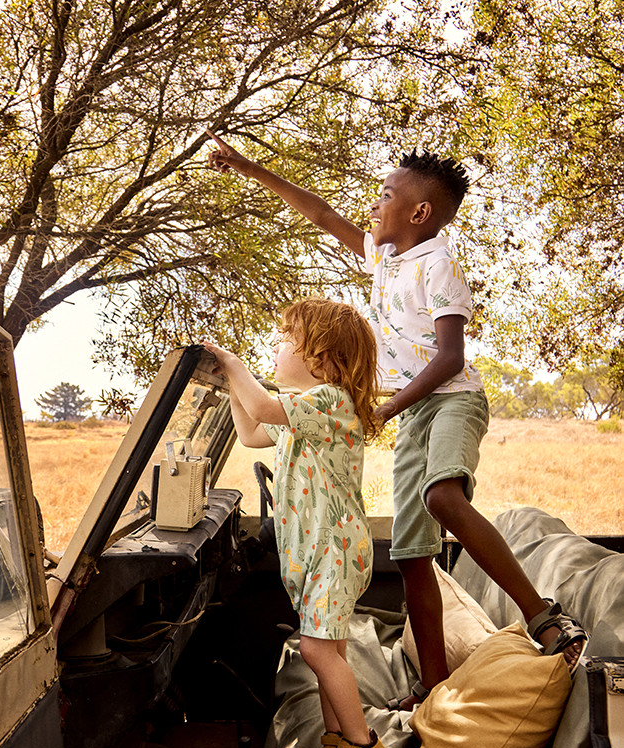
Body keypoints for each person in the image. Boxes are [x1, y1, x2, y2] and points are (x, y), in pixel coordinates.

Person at [206, 130, 587, 710]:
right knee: (410, 554)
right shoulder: (385, 258)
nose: (375, 204)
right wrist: (252, 169)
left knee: (443, 498)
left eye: (386, 195)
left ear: (420, 211)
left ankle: (542, 617)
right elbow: (321, 212)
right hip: (410, 414)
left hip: (451, 398)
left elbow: (450, 357)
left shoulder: (438, 266)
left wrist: (387, 407)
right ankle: (432, 685)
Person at [203, 297, 391, 748]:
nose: (276, 344)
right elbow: (249, 432)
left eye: (287, 340)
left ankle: (365, 745)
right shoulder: (299, 417)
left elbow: (262, 404)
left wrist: (234, 365)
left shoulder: (328, 402)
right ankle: (337, 740)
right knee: (330, 649)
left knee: (315, 648)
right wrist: (229, 386)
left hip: (334, 550)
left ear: (323, 359)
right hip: (315, 553)